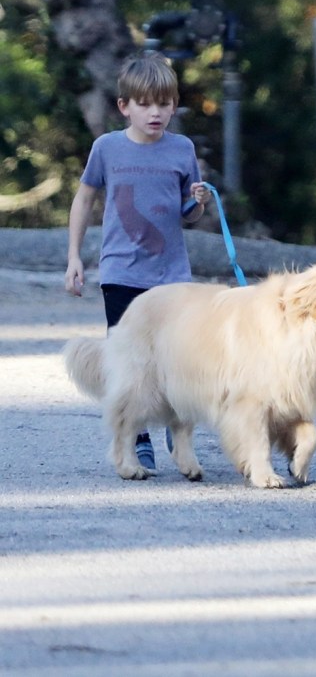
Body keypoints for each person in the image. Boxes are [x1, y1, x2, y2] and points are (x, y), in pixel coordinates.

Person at [65, 52, 212, 472]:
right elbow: (84, 200)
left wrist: (198, 202)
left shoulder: (182, 149)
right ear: (124, 106)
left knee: (179, 358)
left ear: (174, 105)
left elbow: (188, 214)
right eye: (145, 104)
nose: (155, 113)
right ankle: (135, 437)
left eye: (164, 104)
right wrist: (74, 257)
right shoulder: (107, 148)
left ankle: (178, 431)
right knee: (131, 364)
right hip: (121, 273)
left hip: (172, 276)